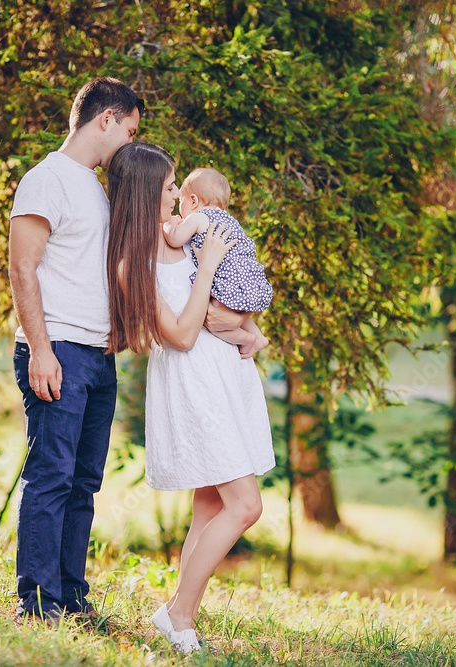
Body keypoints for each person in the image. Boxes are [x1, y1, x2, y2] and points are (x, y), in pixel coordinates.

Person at [106, 143, 276, 653]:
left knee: (209, 508)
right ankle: (177, 611)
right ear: (144, 195)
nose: (178, 194)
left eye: (178, 184)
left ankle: (182, 619)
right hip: (193, 384)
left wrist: (242, 325)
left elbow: (224, 300)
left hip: (227, 376)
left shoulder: (194, 235)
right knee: (246, 506)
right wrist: (210, 280)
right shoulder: (132, 259)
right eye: (168, 187)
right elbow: (180, 334)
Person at [8, 76, 144, 624]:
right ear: (105, 119)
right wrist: (41, 350)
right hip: (57, 349)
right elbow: (22, 267)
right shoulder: (47, 180)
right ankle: (37, 604)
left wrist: (120, 327)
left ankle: (69, 596)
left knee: (83, 481)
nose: (131, 144)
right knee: (52, 476)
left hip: (97, 357)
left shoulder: (94, 186)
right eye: (129, 130)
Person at [161, 167, 272, 358]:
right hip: (244, 278)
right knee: (230, 306)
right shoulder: (231, 221)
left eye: (182, 201)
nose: (179, 206)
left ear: (193, 200)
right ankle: (258, 335)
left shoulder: (198, 217)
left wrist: (170, 224)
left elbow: (175, 240)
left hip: (223, 278)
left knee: (212, 320)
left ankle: (248, 339)